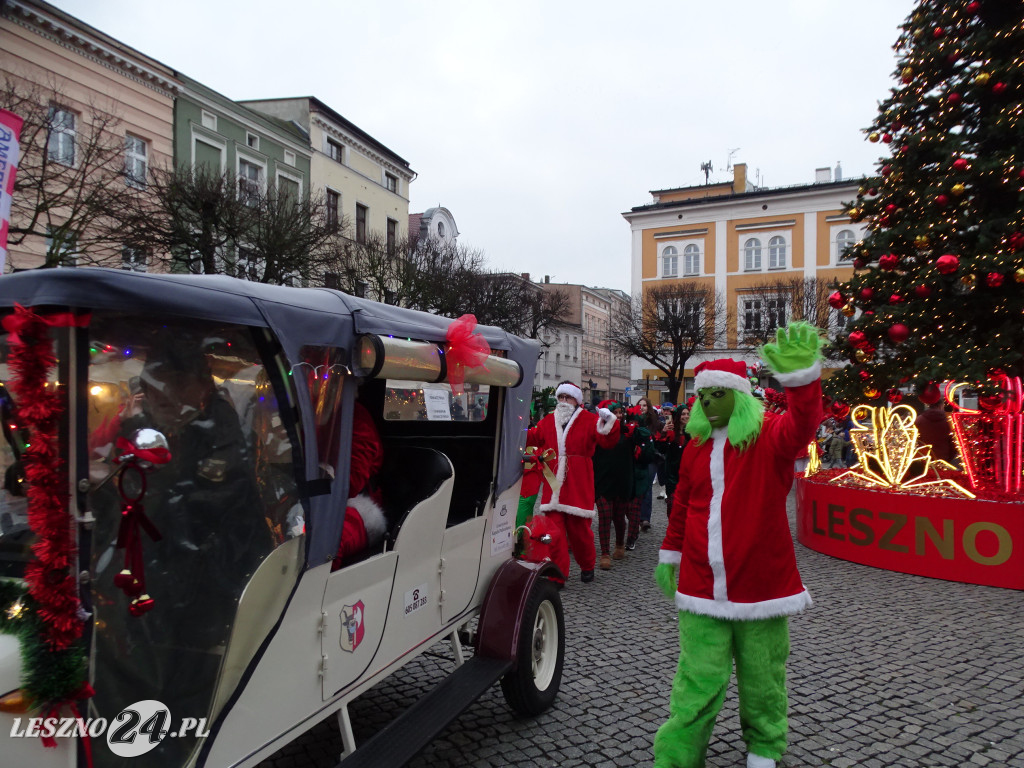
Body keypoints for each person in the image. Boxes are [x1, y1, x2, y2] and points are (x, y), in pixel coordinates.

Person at [653, 322, 824, 768]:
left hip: (760, 581)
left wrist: (802, 381)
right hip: (699, 579)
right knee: (697, 677)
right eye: (702, 397)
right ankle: (679, 753)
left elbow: (803, 426)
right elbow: (683, 505)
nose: (707, 403)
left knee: (762, 674)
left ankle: (765, 744)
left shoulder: (768, 436)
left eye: (716, 395)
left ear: (739, 396)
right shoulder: (695, 446)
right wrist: (669, 554)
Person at [526, 381, 618, 583]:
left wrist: (610, 422)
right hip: (554, 485)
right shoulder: (548, 421)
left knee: (580, 532)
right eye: (560, 398)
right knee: (554, 533)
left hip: (578, 482)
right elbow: (532, 437)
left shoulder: (588, 420)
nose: (563, 402)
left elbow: (606, 440)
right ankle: (558, 574)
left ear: (576, 401)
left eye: (567, 398)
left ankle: (587, 565)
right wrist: (517, 427)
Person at [332, 399, 388, 568]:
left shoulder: (354, 416)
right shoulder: (303, 413)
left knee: (325, 540)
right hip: (310, 500)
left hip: (355, 503)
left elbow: (351, 482)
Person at [593, 400, 641, 570]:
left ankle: (620, 544)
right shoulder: (597, 431)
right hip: (602, 479)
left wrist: (637, 423)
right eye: (616, 412)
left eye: (621, 412)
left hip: (622, 479)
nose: (619, 415)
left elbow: (644, 439)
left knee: (619, 517)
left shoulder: (628, 432)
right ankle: (605, 553)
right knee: (605, 515)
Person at [634, 397, 662, 533]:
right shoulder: (633, 421)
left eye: (644, 405)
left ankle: (645, 518)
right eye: (640, 405)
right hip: (637, 458)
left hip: (651, 457)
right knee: (637, 487)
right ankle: (635, 516)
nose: (642, 408)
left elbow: (660, 439)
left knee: (647, 486)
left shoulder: (655, 423)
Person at [915, 400, 956, 465]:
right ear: (941, 405)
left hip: (924, 457)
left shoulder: (919, 420)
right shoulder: (949, 421)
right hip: (944, 459)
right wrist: (950, 457)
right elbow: (953, 442)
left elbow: (915, 440)